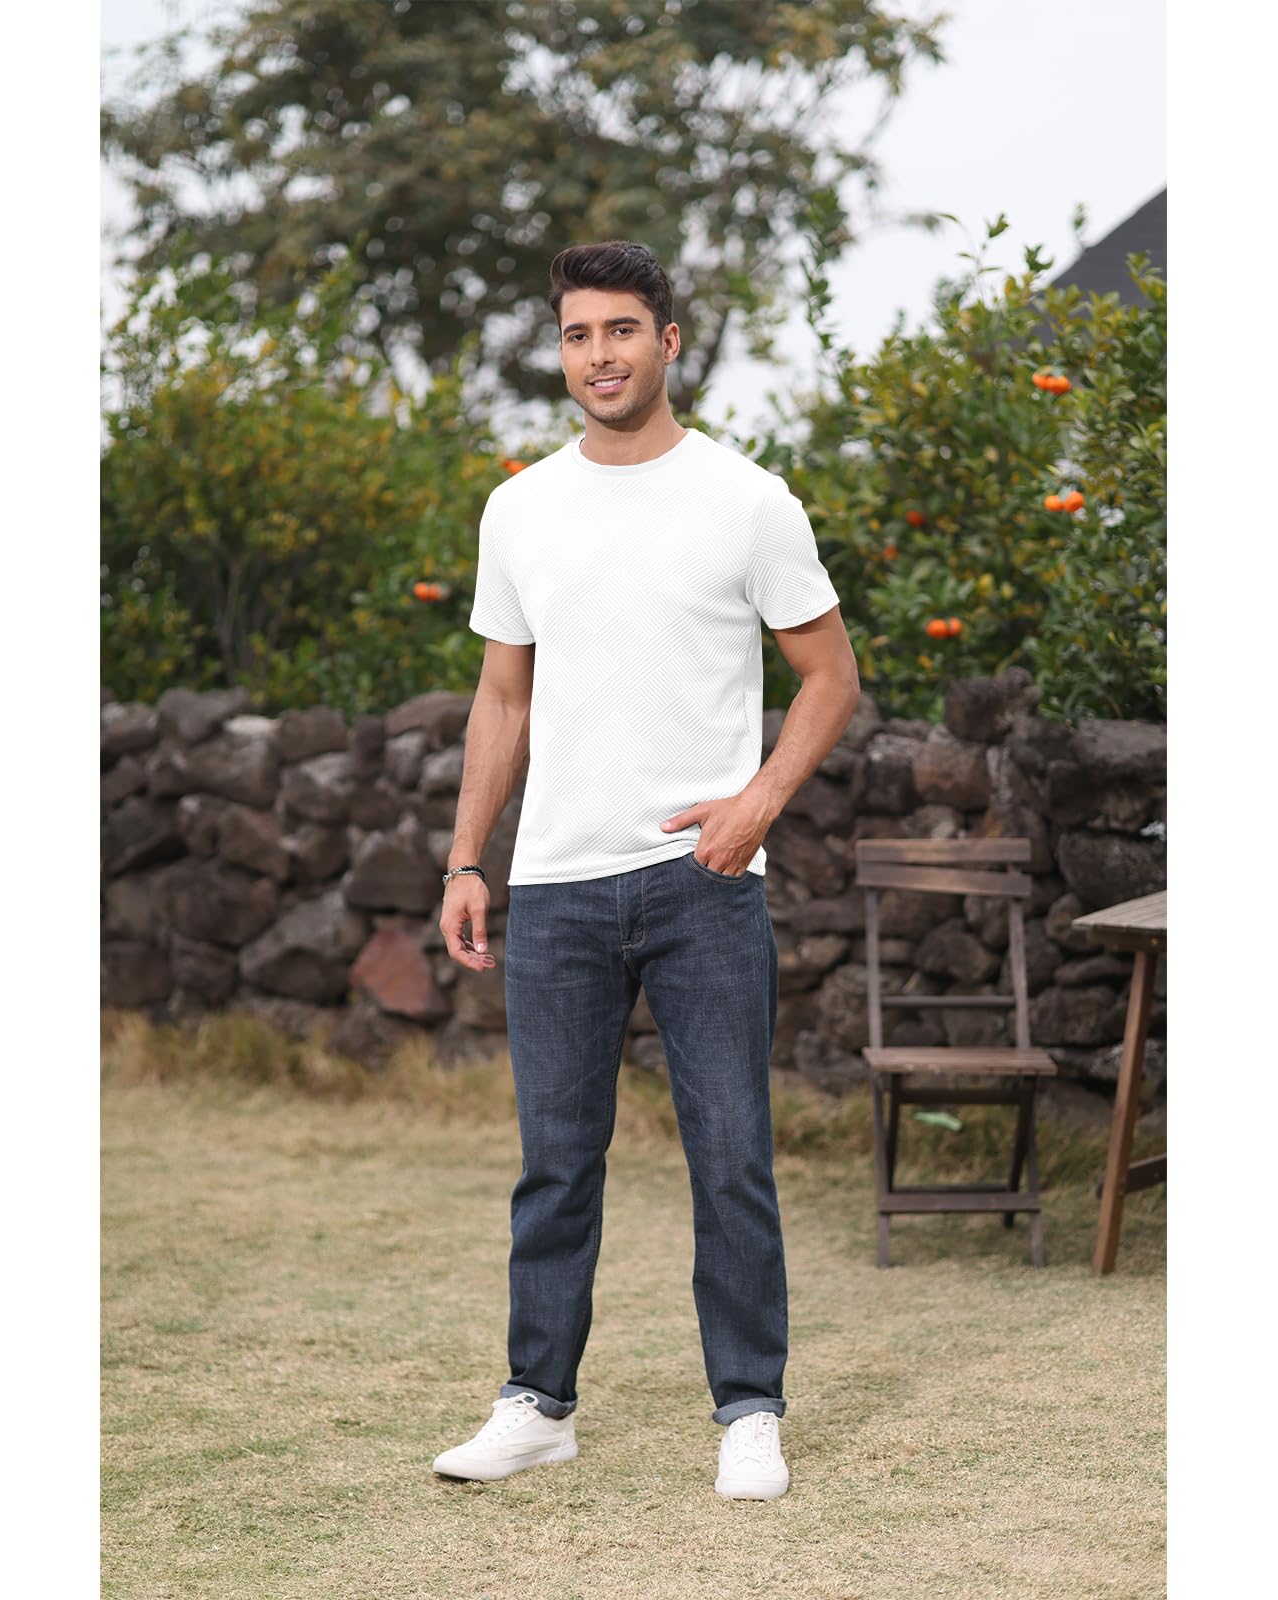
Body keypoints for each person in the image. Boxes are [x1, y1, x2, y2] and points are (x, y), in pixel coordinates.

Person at [433, 239, 861, 1500]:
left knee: (729, 1155)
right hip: (557, 885)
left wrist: (756, 805)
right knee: (554, 1162)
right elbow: (501, 699)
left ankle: (750, 1410)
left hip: (701, 884)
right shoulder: (519, 509)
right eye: (577, 334)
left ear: (668, 341)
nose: (599, 355)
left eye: (621, 330)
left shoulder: (747, 501)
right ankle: (537, 1404)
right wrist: (466, 858)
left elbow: (830, 677)